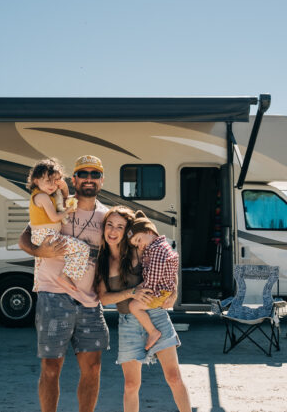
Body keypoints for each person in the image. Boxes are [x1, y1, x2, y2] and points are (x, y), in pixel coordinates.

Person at [19, 155, 110, 412]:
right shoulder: (57, 203)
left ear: (102, 180)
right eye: (84, 174)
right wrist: (39, 252)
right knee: (50, 368)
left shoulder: (106, 215)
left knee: (92, 368)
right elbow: (24, 238)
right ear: (74, 179)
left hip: (89, 299)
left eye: (95, 174)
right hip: (53, 295)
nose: (89, 179)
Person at [95, 206, 191, 412]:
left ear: (127, 231)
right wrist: (131, 293)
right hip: (128, 321)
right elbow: (103, 298)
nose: (113, 231)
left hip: (155, 314)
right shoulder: (101, 260)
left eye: (120, 227)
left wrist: (173, 291)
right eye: (109, 225)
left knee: (174, 377)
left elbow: (168, 260)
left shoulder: (137, 248)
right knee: (131, 385)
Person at [26, 157, 87, 291]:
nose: (52, 185)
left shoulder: (44, 194)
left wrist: (63, 186)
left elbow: (64, 196)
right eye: (48, 181)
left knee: (40, 262)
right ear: (36, 180)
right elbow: (54, 217)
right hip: (46, 235)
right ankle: (66, 275)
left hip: (41, 236)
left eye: (55, 181)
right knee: (83, 249)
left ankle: (37, 286)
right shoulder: (42, 197)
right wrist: (69, 210)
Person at [127, 211, 179, 350]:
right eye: (136, 245)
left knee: (134, 306)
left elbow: (154, 276)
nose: (139, 246)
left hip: (159, 292)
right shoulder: (162, 246)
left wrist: (142, 288)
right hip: (164, 289)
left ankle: (153, 332)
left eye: (138, 240)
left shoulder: (157, 250)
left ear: (149, 231)